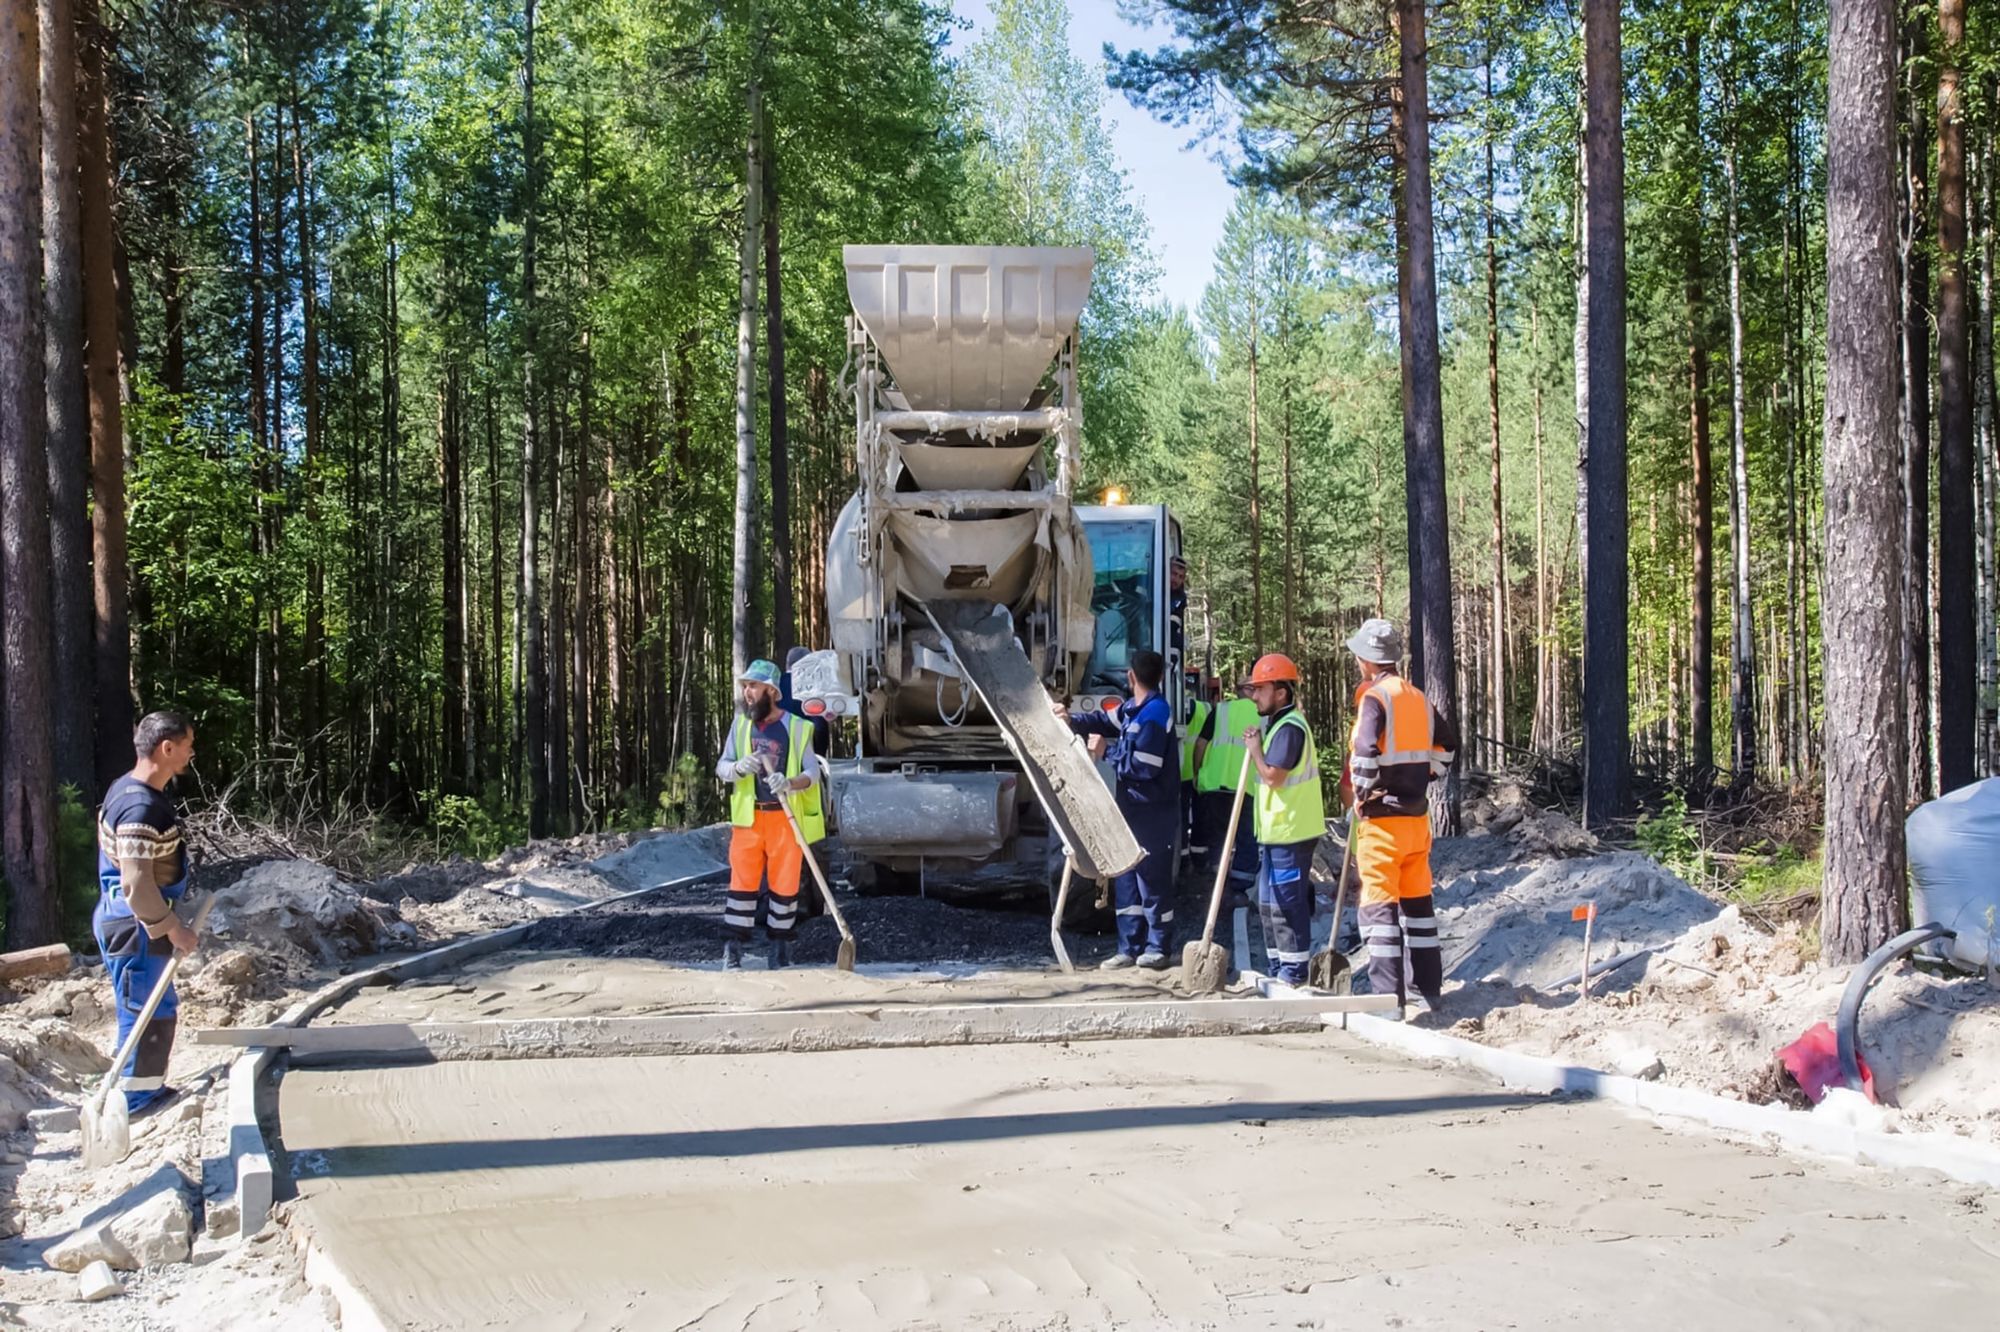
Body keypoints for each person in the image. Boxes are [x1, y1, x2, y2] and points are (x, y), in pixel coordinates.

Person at [1341, 618, 1458, 1017]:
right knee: (1418, 907)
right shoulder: (1417, 697)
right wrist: (1427, 774)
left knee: (1379, 911)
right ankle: (1427, 990)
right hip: (1416, 821)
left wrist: (1362, 793)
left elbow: (1363, 753)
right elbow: (1447, 746)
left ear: (1368, 661)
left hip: (1383, 821)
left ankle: (1388, 1003)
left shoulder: (1375, 698)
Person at [94, 711, 200, 1115]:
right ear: (167, 748)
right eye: (188, 745)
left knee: (151, 1006)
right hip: (136, 925)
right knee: (146, 1011)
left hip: (130, 919)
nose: (192, 752)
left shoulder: (125, 789)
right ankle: (135, 1100)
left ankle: (142, 1091)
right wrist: (173, 929)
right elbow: (137, 886)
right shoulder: (139, 808)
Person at [1056, 649, 1179, 969]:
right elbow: (1103, 720)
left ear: (1130, 677)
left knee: (1152, 881)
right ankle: (1130, 947)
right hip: (1133, 810)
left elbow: (1145, 767)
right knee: (1126, 877)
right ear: (1160, 677)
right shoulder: (1134, 709)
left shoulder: (1154, 714)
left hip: (1153, 813)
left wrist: (1105, 753)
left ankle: (1158, 947)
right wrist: (1071, 721)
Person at [714, 659, 826, 969]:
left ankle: (779, 952)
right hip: (749, 819)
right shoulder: (740, 726)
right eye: (745, 686)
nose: (747, 692)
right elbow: (722, 767)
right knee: (742, 885)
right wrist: (738, 768)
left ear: (772, 691)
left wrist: (789, 783)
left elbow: (812, 773)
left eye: (753, 686)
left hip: (784, 818)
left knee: (785, 886)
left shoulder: (798, 727)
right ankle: (732, 951)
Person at [1241, 654, 1327, 986]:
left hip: (1292, 833)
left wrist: (1255, 750)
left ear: (1281, 692)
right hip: (1277, 833)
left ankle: (1294, 972)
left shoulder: (1290, 728)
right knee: (1267, 903)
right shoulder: (1277, 725)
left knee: (1286, 904)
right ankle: (1279, 968)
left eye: (1260, 689)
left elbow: (1274, 776)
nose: (1255, 696)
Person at [1194, 677, 1262, 904]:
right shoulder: (1264, 714)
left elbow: (1201, 744)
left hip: (1214, 784)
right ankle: (1240, 888)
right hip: (1246, 787)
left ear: (1237, 690)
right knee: (1245, 836)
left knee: (1218, 835)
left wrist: (1198, 773)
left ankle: (1217, 881)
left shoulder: (1221, 711)